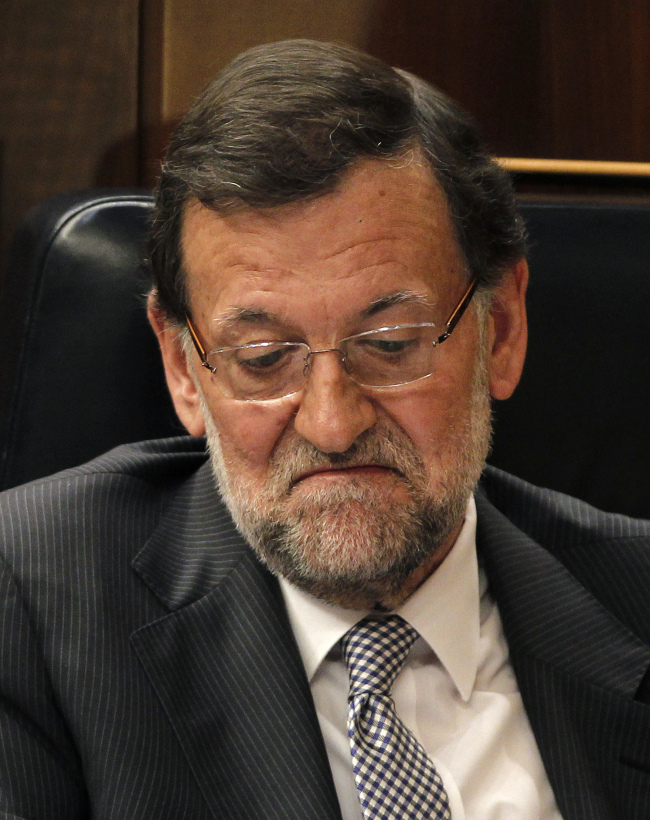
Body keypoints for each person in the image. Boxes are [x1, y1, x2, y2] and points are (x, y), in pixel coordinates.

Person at [1, 39, 649, 820]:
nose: (333, 423)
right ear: (182, 367)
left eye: (389, 346)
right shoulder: (31, 613)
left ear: (501, 330)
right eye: (264, 358)